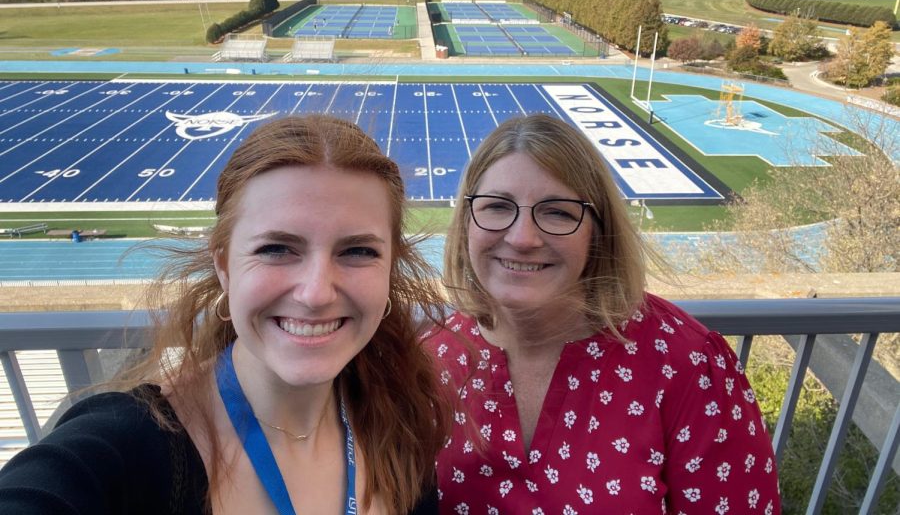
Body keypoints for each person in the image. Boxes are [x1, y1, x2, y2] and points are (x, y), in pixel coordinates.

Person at [0, 116, 451, 514]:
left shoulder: (401, 422)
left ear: (390, 269)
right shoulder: (124, 445)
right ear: (223, 265)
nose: (316, 293)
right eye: (276, 249)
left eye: (357, 251)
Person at [427, 114, 781, 513]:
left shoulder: (687, 363)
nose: (522, 237)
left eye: (557, 212)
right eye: (496, 206)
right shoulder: (431, 361)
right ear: (466, 224)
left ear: (598, 230)